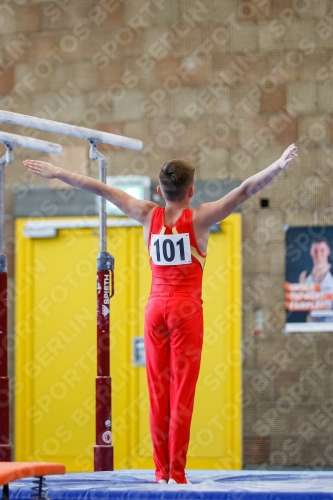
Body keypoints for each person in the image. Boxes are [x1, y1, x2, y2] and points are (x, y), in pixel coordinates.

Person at [23, 143, 297, 484]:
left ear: (159, 190)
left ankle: (160, 472)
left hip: (155, 309)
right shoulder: (199, 218)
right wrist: (277, 166)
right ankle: (176, 474)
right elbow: (244, 191)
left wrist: (57, 172)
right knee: (182, 393)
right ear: (191, 191)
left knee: (158, 392)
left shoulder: (144, 213)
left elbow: (100, 188)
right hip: (185, 312)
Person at [299, 237, 333, 321]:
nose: (318, 254)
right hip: (311, 324)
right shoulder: (304, 275)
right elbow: (301, 303)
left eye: (322, 250)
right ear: (311, 252)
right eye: (315, 250)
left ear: (328, 251)